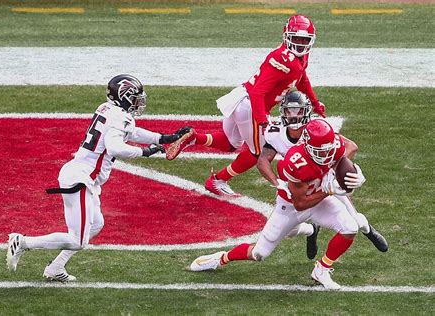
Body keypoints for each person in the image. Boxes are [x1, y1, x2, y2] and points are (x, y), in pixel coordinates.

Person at [6, 74, 191, 282]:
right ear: (124, 96)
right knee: (77, 241)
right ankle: (22, 242)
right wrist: (145, 152)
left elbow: (130, 132)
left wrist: (163, 138)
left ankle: (55, 267)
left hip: (82, 177)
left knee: (96, 225)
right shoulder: (120, 117)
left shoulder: (108, 109)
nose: (139, 102)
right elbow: (116, 147)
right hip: (80, 179)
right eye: (135, 97)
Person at [189, 119, 368, 290]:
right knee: (259, 254)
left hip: (319, 201)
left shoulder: (331, 146)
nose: (327, 155)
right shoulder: (294, 162)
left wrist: (353, 175)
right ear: (307, 146)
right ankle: (221, 258)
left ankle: (321, 269)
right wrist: (329, 190)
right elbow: (301, 203)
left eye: (328, 150)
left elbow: (347, 151)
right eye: (320, 151)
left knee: (350, 227)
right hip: (291, 206)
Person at [166, 15, 326, 197]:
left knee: (231, 142)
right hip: (250, 104)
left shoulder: (298, 57)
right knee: (258, 152)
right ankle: (218, 180)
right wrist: (263, 122)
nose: (299, 44)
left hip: (242, 98)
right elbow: (258, 92)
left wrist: (314, 102)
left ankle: (195, 138)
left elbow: (301, 78)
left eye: (303, 40)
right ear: (286, 36)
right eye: (295, 38)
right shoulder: (284, 59)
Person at [257, 90, 388, 253]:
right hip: (300, 181)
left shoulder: (317, 129)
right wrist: (277, 183)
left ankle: (368, 229)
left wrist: (329, 174)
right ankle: (312, 230)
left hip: (326, 179)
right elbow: (263, 160)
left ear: (306, 112)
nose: (293, 115)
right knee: (288, 231)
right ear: (283, 111)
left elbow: (350, 146)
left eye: (298, 111)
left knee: (353, 221)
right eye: (289, 110)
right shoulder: (275, 133)